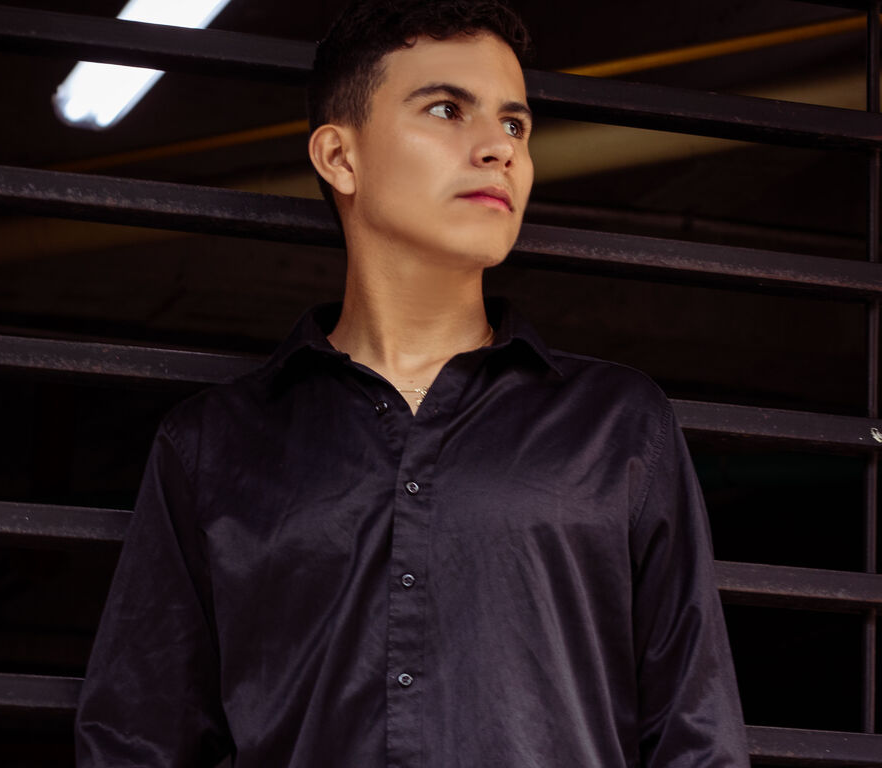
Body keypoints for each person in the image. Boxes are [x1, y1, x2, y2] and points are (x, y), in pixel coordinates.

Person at [75, 1, 750, 766]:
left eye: (515, 124)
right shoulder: (213, 445)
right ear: (340, 157)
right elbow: (137, 742)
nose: (498, 147)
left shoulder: (618, 425)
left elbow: (697, 738)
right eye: (447, 109)